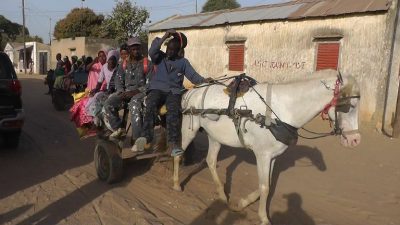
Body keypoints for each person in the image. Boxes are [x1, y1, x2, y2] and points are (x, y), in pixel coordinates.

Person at [134, 30, 212, 156]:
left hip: (174, 91)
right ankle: (146, 137)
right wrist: (165, 36)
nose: (168, 51)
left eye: (172, 50)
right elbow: (152, 51)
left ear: (177, 51)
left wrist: (204, 81)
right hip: (157, 88)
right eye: (168, 48)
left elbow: (193, 76)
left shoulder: (183, 62)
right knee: (151, 105)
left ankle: (174, 144)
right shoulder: (159, 57)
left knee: (174, 111)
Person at [102, 38, 148, 139]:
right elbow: (118, 81)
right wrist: (120, 91)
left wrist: (135, 92)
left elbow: (150, 84)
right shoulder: (124, 64)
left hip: (140, 93)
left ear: (140, 49)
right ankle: (118, 129)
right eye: (133, 49)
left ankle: (137, 138)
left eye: (137, 49)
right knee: (108, 103)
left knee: (135, 105)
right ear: (129, 50)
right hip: (125, 93)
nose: (136, 51)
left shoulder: (146, 63)